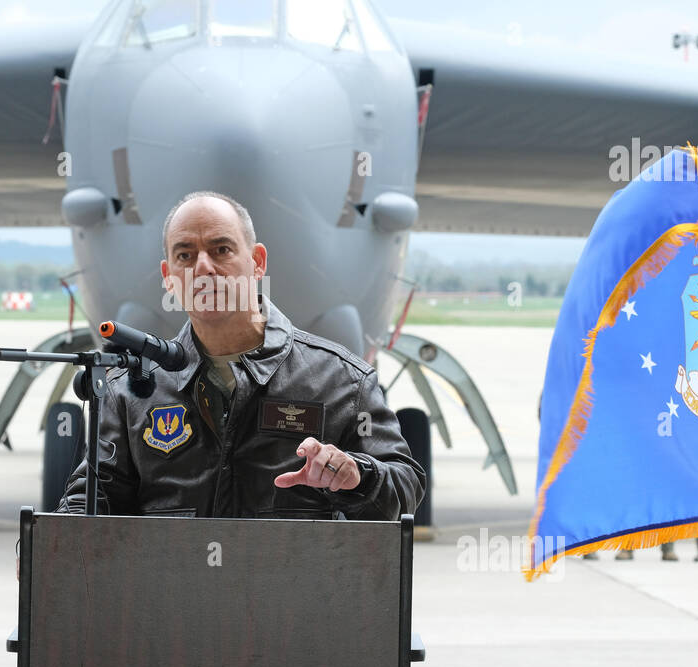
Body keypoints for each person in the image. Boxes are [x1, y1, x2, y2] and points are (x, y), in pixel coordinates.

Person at [58, 191, 425, 518]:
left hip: (290, 590)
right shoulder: (133, 389)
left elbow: (404, 489)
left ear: (257, 262)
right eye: (185, 255)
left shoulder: (341, 381)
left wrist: (357, 476)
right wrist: (53, 544)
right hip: (170, 590)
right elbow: (94, 497)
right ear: (169, 277)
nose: (203, 268)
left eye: (222, 249)